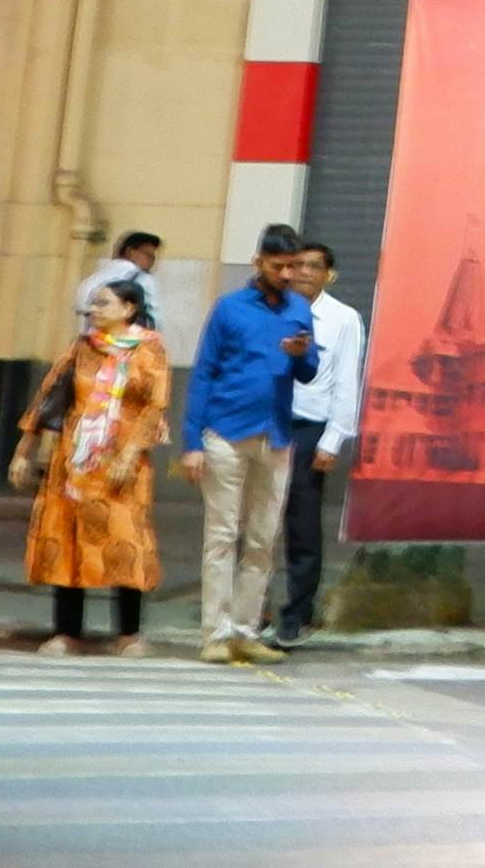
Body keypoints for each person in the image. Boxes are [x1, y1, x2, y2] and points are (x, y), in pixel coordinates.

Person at [180, 227, 322, 665]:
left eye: (293, 266)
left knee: (263, 538)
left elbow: (309, 373)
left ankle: (244, 629)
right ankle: (215, 633)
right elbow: (203, 373)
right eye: (279, 266)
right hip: (225, 430)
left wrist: (301, 353)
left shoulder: (299, 308)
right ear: (258, 261)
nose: (287, 274)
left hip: (276, 433)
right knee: (222, 535)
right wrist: (191, 441)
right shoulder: (230, 309)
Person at [19, 272, 172, 654]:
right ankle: (67, 631)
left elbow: (154, 405)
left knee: (126, 543)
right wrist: (25, 449)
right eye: (93, 303)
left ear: (128, 309)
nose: (94, 310)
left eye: (103, 303)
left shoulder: (149, 349)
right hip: (74, 461)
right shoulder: (82, 346)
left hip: (123, 466)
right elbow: (49, 396)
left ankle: (129, 633)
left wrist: (131, 452)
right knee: (67, 540)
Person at [278, 240, 363, 642]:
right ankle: (248, 610)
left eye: (314, 266)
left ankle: (297, 613)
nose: (305, 273)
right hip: (264, 423)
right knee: (253, 521)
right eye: (298, 265)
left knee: (302, 524)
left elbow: (347, 382)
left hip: (308, 428)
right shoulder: (270, 310)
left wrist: (334, 438)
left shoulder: (343, 319)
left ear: (329, 275)